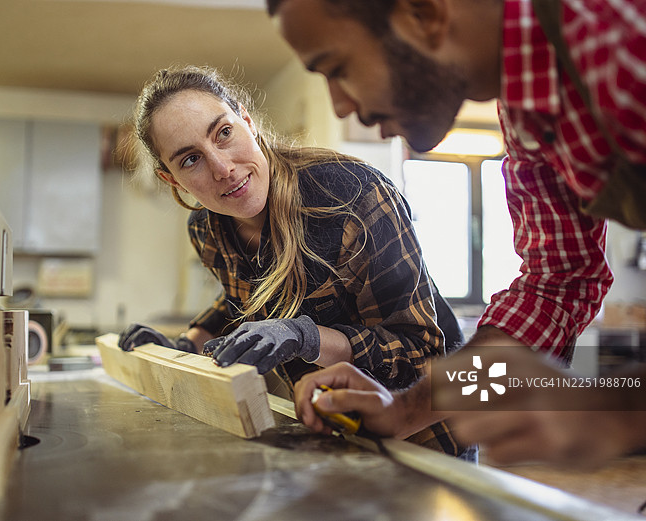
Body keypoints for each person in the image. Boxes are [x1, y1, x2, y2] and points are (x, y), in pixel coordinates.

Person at [265, 0, 646, 465]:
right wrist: (405, 408)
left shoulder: (623, 48)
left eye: (338, 68)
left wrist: (616, 411)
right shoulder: (526, 115)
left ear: (423, 14)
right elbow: (555, 284)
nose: (343, 105)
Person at [119, 64, 471, 458]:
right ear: (171, 180)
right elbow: (242, 299)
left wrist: (307, 336)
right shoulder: (206, 230)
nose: (223, 168)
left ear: (247, 121)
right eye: (189, 160)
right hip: (334, 436)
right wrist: (183, 346)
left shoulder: (353, 196)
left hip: (425, 439)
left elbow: (418, 352)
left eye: (223, 133)